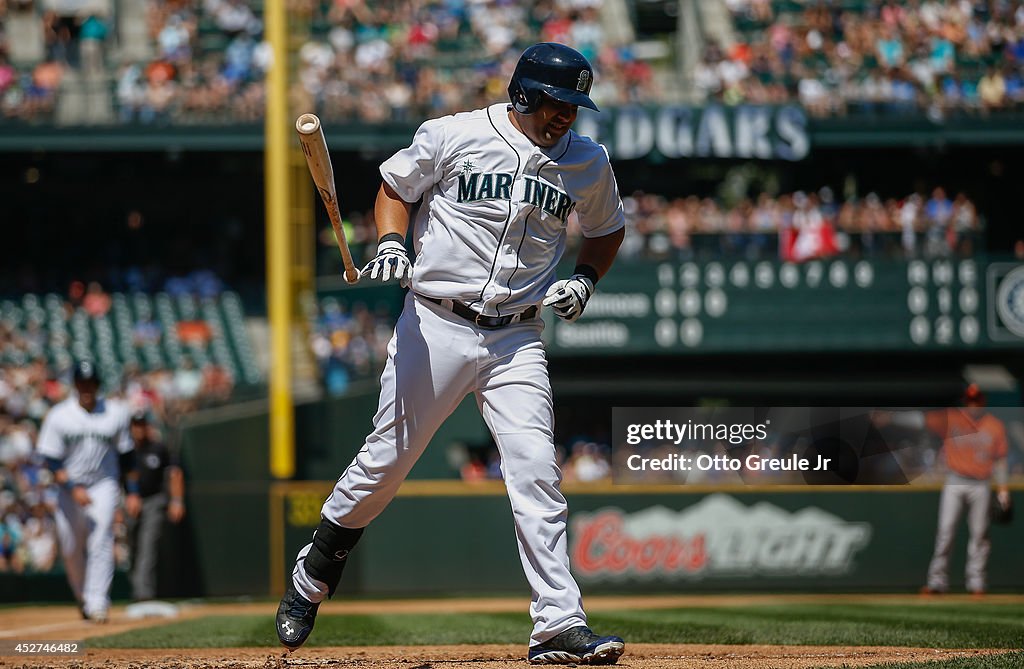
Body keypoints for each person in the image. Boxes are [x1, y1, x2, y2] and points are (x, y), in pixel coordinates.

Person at [276, 43, 627, 665]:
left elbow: (606, 230)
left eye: (575, 105)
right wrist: (390, 242)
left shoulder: (587, 163)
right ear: (523, 95)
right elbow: (393, 186)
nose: (567, 116)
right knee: (386, 462)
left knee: (536, 472)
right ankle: (313, 571)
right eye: (557, 102)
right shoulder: (454, 134)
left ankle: (557, 624)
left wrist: (585, 280)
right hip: (436, 323)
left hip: (517, 336)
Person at [36, 361, 141, 622]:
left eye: (91, 383)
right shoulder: (60, 415)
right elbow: (51, 460)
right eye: (82, 383)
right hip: (68, 485)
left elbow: (127, 457)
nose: (86, 388)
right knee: (71, 548)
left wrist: (133, 492)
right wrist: (72, 488)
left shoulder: (116, 412)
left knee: (102, 538)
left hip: (104, 484)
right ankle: (83, 597)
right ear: (74, 384)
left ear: (97, 384)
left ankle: (98, 602)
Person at [920, 385, 1011, 595]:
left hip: (981, 482)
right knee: (945, 532)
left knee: (980, 534)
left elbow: (1000, 460)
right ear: (964, 401)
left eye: (976, 400)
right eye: (970, 400)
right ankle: (936, 582)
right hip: (955, 479)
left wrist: (1003, 489)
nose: (973, 404)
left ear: (983, 401)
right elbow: (921, 420)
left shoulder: (994, 426)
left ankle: (976, 583)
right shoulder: (952, 418)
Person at [126, 412, 185, 602]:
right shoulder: (126, 451)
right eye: (136, 425)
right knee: (132, 549)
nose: (139, 429)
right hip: (128, 501)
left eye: (142, 424)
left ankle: (143, 594)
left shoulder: (158, 448)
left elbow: (175, 473)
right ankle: (137, 589)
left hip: (154, 501)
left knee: (147, 546)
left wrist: (176, 500)